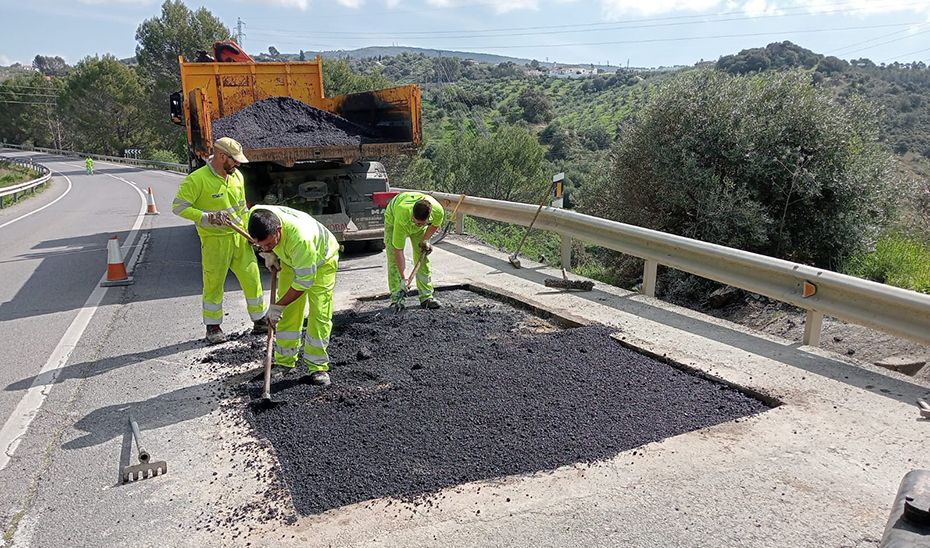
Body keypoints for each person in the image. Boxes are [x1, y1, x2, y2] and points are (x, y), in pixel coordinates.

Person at [172, 137, 266, 344]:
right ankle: (213, 327)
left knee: (252, 279)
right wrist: (206, 217)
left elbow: (242, 208)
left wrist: (250, 231)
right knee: (214, 284)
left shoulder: (237, 177)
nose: (238, 164)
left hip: (239, 238)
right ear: (222, 156)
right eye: (234, 160)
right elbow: (178, 207)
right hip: (214, 241)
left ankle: (259, 320)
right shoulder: (197, 180)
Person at [248, 206, 339, 386]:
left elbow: (304, 282)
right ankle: (284, 361)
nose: (264, 247)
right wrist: (268, 252)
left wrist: (277, 306)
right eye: (261, 244)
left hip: (322, 260)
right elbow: (257, 237)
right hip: (290, 260)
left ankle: (318, 366)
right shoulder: (257, 214)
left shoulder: (301, 239)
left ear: (278, 230)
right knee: (289, 312)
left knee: (319, 313)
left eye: (268, 243)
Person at [383, 191, 444, 311]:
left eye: (421, 223)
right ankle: (397, 299)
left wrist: (425, 240)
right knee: (393, 260)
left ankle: (426, 297)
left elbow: (435, 225)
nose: (417, 224)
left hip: (417, 224)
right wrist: (404, 278)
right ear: (412, 215)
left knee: (422, 257)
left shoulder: (438, 211)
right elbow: (398, 250)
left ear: (428, 217)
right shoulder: (402, 215)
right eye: (416, 221)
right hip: (393, 219)